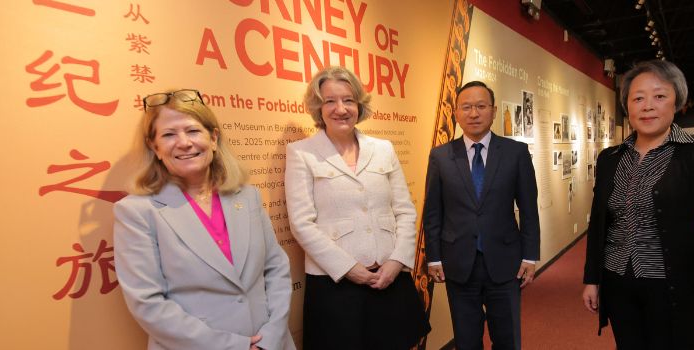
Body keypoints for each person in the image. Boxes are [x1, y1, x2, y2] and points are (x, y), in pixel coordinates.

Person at [580, 60, 694, 350]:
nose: (647, 106)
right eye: (638, 98)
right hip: (618, 282)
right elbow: (600, 222)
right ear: (627, 105)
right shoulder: (610, 158)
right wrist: (592, 279)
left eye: (659, 96)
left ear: (677, 101)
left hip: (671, 287)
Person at [114, 89, 295, 350]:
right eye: (168, 135)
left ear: (213, 138)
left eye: (193, 130)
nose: (184, 142)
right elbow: (148, 304)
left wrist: (273, 335)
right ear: (155, 148)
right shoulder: (136, 212)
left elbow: (276, 267)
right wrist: (235, 346)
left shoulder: (247, 195)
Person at [285, 67, 429, 349]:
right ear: (318, 107)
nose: (341, 109)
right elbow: (302, 224)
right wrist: (350, 269)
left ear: (359, 105)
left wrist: (397, 261)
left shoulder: (383, 148)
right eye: (330, 101)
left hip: (389, 279)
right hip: (336, 286)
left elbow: (404, 210)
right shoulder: (302, 153)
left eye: (349, 100)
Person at [424, 81, 541, 350]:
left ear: (494, 110)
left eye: (480, 106)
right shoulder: (440, 157)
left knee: (508, 338)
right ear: (456, 113)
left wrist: (529, 256)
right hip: (458, 264)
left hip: (506, 263)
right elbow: (433, 212)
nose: (473, 113)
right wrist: (434, 257)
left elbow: (529, 208)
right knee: (466, 340)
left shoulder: (516, 153)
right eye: (466, 107)